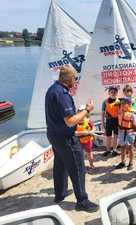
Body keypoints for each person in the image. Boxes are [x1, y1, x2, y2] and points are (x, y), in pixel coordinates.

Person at [45, 64, 98, 212]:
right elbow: (70, 121)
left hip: (53, 134)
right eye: (74, 79)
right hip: (65, 138)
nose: (75, 82)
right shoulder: (62, 94)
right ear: (68, 79)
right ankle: (82, 200)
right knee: (78, 167)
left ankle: (60, 194)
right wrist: (87, 110)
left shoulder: (52, 89)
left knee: (60, 164)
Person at [115, 97, 136, 170]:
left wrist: (131, 131)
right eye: (122, 103)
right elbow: (116, 104)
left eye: (125, 103)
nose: (122, 105)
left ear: (129, 104)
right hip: (121, 132)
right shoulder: (120, 112)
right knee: (122, 147)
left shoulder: (132, 115)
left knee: (130, 148)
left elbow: (135, 126)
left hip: (129, 133)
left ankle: (131, 163)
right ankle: (123, 162)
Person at [101, 86, 120, 157]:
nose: (113, 93)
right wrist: (102, 124)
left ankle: (114, 150)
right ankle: (108, 150)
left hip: (117, 121)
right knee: (108, 136)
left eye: (115, 92)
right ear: (109, 93)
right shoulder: (104, 102)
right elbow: (102, 114)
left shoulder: (119, 102)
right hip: (109, 121)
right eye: (111, 92)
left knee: (116, 136)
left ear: (117, 93)